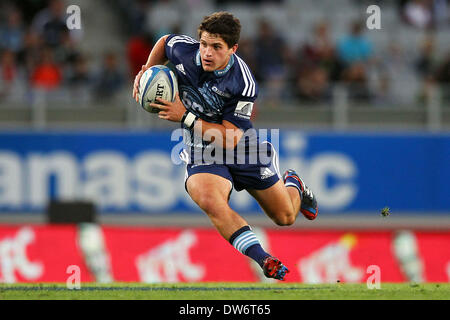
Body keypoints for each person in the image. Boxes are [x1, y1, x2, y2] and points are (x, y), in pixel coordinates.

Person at [132, 12, 318, 281]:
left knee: (286, 217)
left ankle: (294, 184)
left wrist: (184, 116)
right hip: (201, 148)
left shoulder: (243, 82)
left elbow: (230, 138)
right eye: (204, 44)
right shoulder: (184, 51)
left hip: (240, 145)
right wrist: (145, 71)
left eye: (217, 47)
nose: (207, 52)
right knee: (209, 199)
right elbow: (164, 41)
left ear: (233, 49)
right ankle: (263, 259)